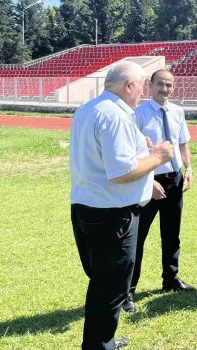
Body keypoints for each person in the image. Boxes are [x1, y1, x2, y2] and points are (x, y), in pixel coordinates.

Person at [70, 62, 174, 350]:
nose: (143, 91)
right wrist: (159, 157)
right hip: (113, 215)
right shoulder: (115, 115)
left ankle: (102, 340)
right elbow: (120, 172)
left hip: (88, 208)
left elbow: (109, 162)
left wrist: (147, 159)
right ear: (129, 86)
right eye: (141, 85)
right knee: (111, 286)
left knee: (103, 282)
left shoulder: (89, 109)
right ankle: (100, 345)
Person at [122, 69, 196, 314]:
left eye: (169, 85)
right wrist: (147, 180)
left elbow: (182, 143)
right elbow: (132, 152)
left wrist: (189, 168)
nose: (165, 89)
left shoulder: (177, 112)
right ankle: (128, 291)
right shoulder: (138, 114)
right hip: (149, 181)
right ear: (150, 86)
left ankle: (170, 278)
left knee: (172, 234)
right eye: (160, 84)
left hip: (174, 180)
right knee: (137, 238)